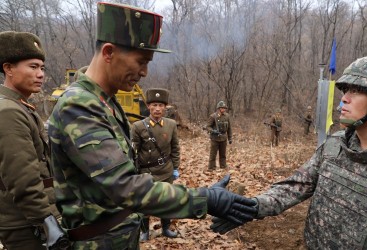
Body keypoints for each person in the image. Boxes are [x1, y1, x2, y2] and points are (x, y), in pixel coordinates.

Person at [48, 3, 256, 248]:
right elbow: (125, 187)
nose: (145, 72)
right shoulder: (79, 106)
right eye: (141, 61)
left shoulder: (105, 101)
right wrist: (205, 199)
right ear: (108, 52)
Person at [211, 56, 367, 249]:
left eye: (355, 92)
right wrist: (251, 207)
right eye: (344, 92)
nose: (344, 100)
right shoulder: (335, 145)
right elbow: (293, 187)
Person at [0, 31, 60, 249]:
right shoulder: (8, 111)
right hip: (26, 224)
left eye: (42, 68)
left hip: (30, 219)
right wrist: (49, 222)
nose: (41, 74)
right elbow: (23, 180)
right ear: (8, 69)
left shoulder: (21, 107)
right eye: (33, 67)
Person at [131, 88, 180, 240]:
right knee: (145, 203)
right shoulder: (138, 126)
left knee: (166, 201)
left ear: (165, 107)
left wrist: (176, 167)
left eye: (161, 105)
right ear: (148, 107)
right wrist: (134, 171)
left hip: (166, 170)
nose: (157, 109)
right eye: (154, 105)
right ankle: (144, 231)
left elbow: (175, 148)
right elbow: (133, 151)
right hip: (147, 172)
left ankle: (165, 228)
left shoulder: (171, 124)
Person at [206, 101, 232, 170]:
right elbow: (208, 126)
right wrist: (213, 131)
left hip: (223, 138)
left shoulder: (227, 116)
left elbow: (229, 128)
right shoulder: (213, 116)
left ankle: (223, 166)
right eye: (222, 108)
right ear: (219, 108)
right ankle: (211, 168)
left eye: (224, 108)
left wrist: (230, 138)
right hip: (215, 138)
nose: (224, 109)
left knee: (223, 154)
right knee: (213, 154)